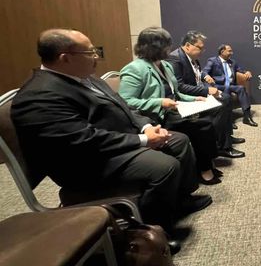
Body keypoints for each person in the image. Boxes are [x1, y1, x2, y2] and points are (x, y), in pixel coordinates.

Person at [10, 29, 211, 237]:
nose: (96, 57)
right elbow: (82, 140)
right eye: (90, 52)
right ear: (65, 58)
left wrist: (146, 127)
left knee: (179, 141)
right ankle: (154, 230)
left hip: (115, 142)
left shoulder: (87, 78)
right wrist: (142, 140)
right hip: (88, 162)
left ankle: (180, 200)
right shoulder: (39, 95)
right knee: (165, 167)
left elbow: (124, 106)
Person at [119, 27, 223, 185]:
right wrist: (159, 102)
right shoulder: (135, 69)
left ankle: (206, 164)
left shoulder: (165, 66)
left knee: (207, 123)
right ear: (154, 47)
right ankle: (204, 170)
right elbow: (125, 101)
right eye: (167, 45)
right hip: (155, 118)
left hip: (173, 111)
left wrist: (194, 99)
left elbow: (176, 93)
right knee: (201, 127)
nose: (170, 49)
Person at [167, 30, 245, 158]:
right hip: (186, 99)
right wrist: (207, 91)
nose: (202, 51)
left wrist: (204, 76)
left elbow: (196, 73)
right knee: (222, 103)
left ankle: (226, 138)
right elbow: (180, 87)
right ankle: (222, 146)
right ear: (188, 45)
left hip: (198, 92)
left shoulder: (192, 58)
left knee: (226, 98)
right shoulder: (175, 58)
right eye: (200, 48)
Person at [203, 44, 258, 127]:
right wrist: (206, 76)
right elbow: (204, 71)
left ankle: (247, 116)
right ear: (222, 51)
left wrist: (246, 72)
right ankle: (228, 119)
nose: (231, 53)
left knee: (241, 88)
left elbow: (240, 70)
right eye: (229, 51)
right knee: (227, 89)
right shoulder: (213, 60)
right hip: (218, 85)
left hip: (230, 85)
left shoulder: (232, 62)